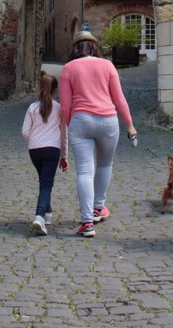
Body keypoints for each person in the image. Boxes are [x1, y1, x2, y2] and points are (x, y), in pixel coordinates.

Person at [59, 30, 137, 237]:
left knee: (84, 171)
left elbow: (65, 106)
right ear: (95, 47)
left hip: (80, 120)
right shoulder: (108, 66)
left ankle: (86, 223)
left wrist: (71, 124)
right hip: (108, 120)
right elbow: (119, 99)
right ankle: (98, 207)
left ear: (75, 48)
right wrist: (129, 125)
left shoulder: (68, 68)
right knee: (105, 164)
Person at [22, 72, 69, 236]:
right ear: (55, 91)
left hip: (34, 150)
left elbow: (25, 133)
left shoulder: (32, 108)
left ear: (39, 89)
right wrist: (64, 156)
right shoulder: (59, 109)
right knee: (46, 183)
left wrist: (35, 138)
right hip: (52, 149)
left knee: (44, 180)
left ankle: (47, 212)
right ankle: (40, 215)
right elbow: (64, 134)